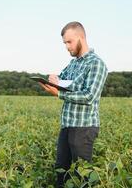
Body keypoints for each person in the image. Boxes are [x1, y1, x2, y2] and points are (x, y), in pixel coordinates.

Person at [39, 21, 108, 187]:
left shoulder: (96, 63)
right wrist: (53, 80)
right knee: (61, 170)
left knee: (81, 174)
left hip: (83, 127)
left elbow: (89, 96)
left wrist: (59, 93)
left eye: (69, 42)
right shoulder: (73, 64)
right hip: (67, 124)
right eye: (64, 43)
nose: (66, 46)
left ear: (81, 38)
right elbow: (61, 81)